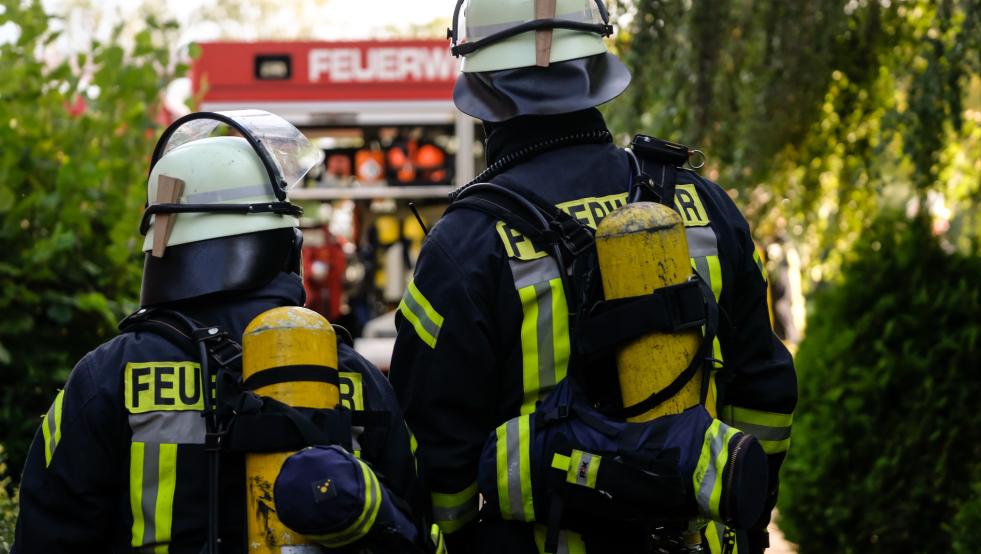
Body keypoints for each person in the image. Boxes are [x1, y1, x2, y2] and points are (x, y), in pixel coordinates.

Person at [387, 1, 797, 553]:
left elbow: (436, 448)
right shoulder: (702, 205)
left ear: (480, 90)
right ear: (597, 69)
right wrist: (747, 519)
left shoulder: (464, 244)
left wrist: (459, 539)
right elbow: (766, 387)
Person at [14, 110, 432, 553]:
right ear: (285, 243)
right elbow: (415, 523)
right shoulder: (350, 373)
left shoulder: (107, 376)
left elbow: (48, 533)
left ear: (162, 246)